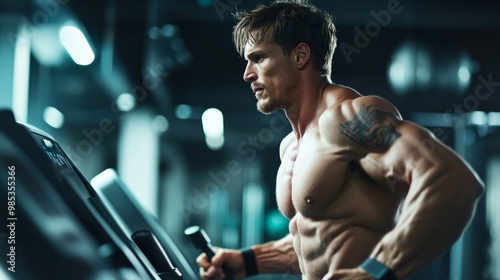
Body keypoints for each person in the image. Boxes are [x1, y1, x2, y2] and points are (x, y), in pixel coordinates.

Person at [197, 1, 484, 279]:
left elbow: (452, 181)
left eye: (258, 58)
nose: (247, 74)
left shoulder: (348, 119)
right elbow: (321, 235)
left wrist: (375, 272)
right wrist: (248, 261)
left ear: (300, 56)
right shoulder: (292, 145)